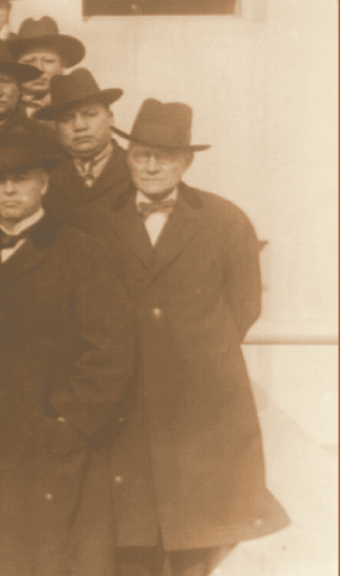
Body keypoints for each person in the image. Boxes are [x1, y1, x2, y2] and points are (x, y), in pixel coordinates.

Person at [90, 100, 290, 576]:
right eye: (141, 155)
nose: (152, 166)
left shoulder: (225, 220)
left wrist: (193, 350)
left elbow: (244, 307)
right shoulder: (96, 220)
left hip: (201, 404)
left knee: (199, 536)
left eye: (165, 156)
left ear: (187, 162)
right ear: (128, 158)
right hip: (127, 402)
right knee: (131, 537)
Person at [0, 132, 134, 576]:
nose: (9, 190)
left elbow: (111, 351)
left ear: (44, 184)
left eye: (21, 179)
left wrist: (67, 418)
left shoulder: (81, 251)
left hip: (49, 448)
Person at [34, 68, 129, 227]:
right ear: (56, 128)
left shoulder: (138, 169)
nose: (79, 126)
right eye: (66, 119)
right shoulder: (44, 176)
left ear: (110, 118)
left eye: (90, 114)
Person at [8, 16, 86, 116]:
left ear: (63, 65)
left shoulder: (76, 107)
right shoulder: (3, 108)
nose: (39, 69)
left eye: (49, 61)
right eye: (29, 61)